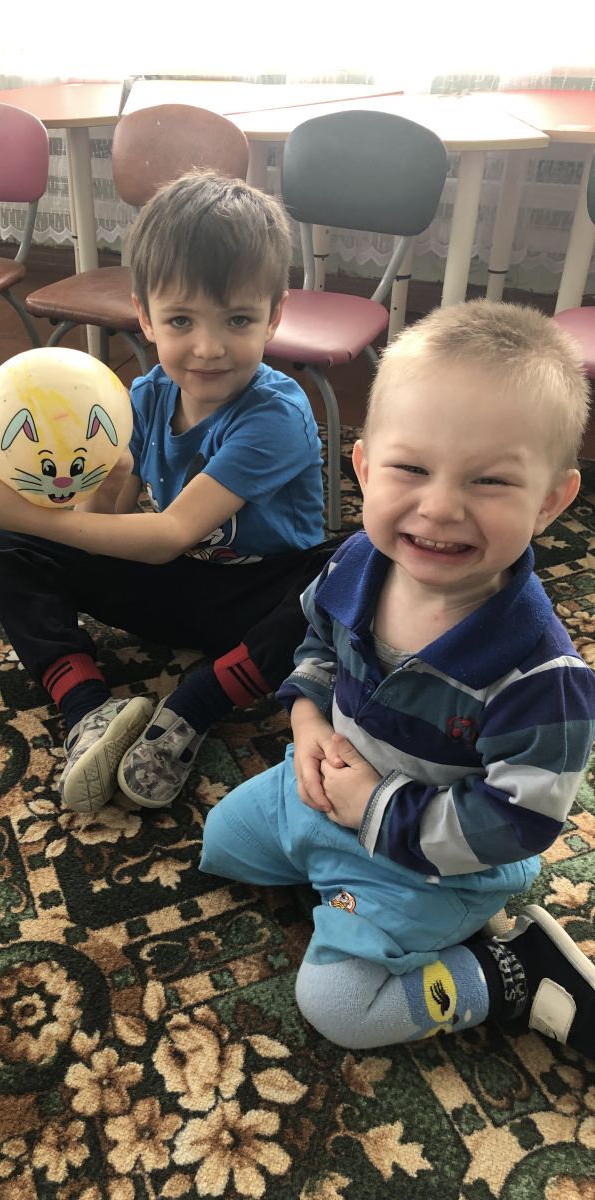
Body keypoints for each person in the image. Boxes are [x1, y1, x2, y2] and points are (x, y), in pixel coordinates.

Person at [200, 299, 595, 1056]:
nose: (439, 507)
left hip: (436, 860)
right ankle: (338, 885)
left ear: (549, 501)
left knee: (340, 1008)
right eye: (411, 469)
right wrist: (307, 720)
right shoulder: (357, 561)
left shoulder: (544, 678)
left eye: (489, 481)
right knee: (221, 843)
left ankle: (507, 971)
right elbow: (316, 643)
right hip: (323, 786)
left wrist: (377, 810)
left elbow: (519, 823)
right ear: (364, 466)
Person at [0, 170, 343, 813]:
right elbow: (103, 523)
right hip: (182, 585)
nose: (208, 348)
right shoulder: (143, 397)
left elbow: (167, 536)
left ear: (274, 317)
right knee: (8, 550)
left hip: (263, 599)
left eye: (238, 319)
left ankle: (198, 702)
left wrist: (29, 515)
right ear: (145, 317)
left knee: (351, 573)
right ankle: (87, 707)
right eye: (181, 319)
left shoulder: (277, 416)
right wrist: (74, 485)